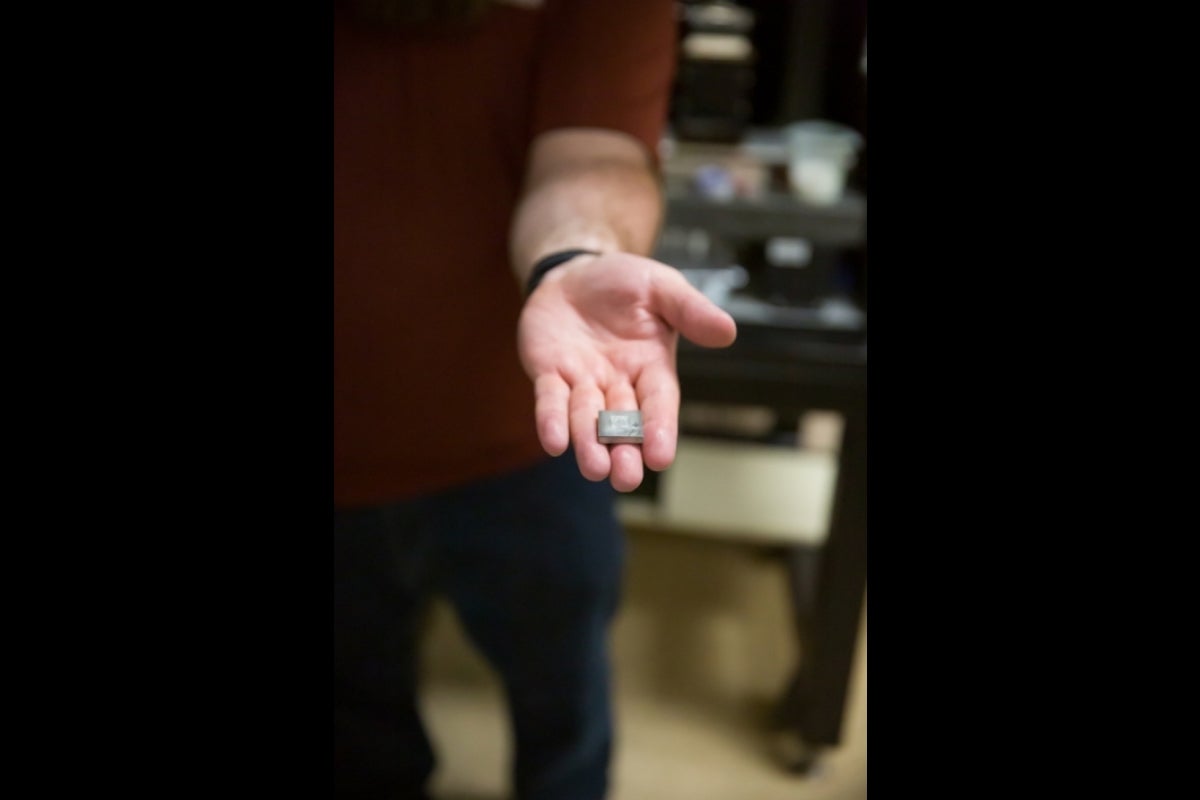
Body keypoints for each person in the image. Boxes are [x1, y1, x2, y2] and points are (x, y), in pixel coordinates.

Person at [333, 1, 738, 797]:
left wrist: (575, 255)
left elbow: (594, 152)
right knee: (357, 720)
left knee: (563, 695)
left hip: (533, 432)